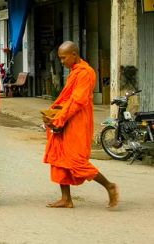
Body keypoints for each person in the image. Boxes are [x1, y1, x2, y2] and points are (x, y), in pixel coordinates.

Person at [43, 41, 118, 208]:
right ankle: (66, 199)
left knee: (77, 161)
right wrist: (52, 112)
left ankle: (109, 186)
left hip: (77, 120)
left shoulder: (86, 73)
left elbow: (77, 101)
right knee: (59, 158)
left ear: (74, 55)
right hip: (65, 117)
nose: (61, 62)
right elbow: (66, 98)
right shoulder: (74, 72)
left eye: (63, 58)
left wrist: (59, 118)